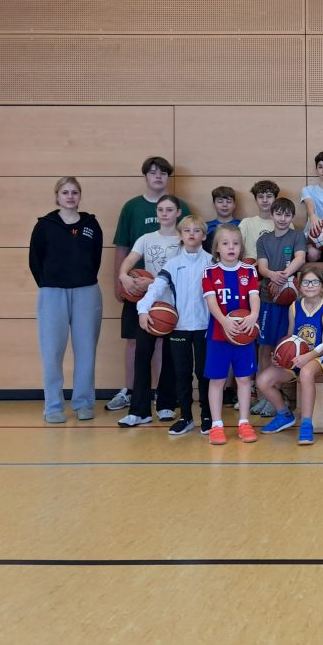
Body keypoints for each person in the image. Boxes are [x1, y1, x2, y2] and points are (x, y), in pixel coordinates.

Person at [108, 156, 190, 412]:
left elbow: (190, 253)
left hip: (168, 294)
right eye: (153, 172)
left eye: (163, 173)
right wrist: (120, 281)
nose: (157, 176)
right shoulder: (132, 208)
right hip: (136, 291)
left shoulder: (182, 208)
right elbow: (123, 247)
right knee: (135, 341)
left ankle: (163, 395)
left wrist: (154, 283)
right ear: (145, 176)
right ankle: (132, 391)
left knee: (165, 342)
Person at [29, 176, 103, 424]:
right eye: (65, 192)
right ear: (57, 197)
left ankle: (83, 403)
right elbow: (35, 260)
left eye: (74, 192)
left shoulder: (91, 224)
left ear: (79, 196)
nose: (70, 196)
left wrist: (81, 278)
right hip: (52, 293)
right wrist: (51, 282)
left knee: (86, 351)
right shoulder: (44, 226)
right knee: (52, 351)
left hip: (86, 291)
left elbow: (95, 258)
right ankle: (53, 406)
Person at [137, 215, 213, 436]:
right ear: (180, 235)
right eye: (187, 230)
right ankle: (186, 417)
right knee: (181, 373)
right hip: (179, 327)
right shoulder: (172, 264)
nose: (191, 234)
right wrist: (143, 309)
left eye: (197, 230)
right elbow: (156, 288)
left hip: (205, 327)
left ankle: (207, 416)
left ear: (204, 236)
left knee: (204, 373)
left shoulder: (212, 263)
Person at [117, 195, 184, 427]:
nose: (164, 213)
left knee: (170, 358)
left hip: (173, 306)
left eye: (169, 209)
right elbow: (130, 260)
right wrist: (124, 276)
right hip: (149, 306)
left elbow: (184, 275)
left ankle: (166, 405)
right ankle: (139, 410)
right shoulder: (146, 238)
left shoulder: (183, 241)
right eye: (161, 209)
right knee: (142, 355)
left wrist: (153, 281)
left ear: (178, 213)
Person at [259, 267, 323, 445]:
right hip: (297, 358)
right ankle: (284, 414)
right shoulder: (294, 307)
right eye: (306, 282)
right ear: (300, 287)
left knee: (306, 373)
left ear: (322, 287)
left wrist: (307, 357)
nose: (310, 285)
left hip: (318, 357)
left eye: (314, 282)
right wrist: (280, 354)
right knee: (263, 380)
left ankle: (306, 424)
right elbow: (290, 336)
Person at [202, 224, 260, 445]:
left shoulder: (249, 270)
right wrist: (224, 321)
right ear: (217, 248)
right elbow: (211, 301)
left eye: (235, 243)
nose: (231, 247)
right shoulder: (209, 272)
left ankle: (244, 423)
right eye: (225, 243)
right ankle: (217, 425)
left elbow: (254, 296)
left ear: (241, 247)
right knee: (217, 380)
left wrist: (254, 315)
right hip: (219, 334)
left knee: (244, 379)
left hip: (244, 333)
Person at [253, 197, 307, 414]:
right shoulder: (264, 240)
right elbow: (262, 267)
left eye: (287, 215)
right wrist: (271, 274)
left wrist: (284, 275)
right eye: (279, 214)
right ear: (272, 215)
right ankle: (264, 395)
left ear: (292, 217)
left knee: (283, 347)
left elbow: (300, 258)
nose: (283, 218)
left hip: (289, 301)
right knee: (265, 348)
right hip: (268, 299)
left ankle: (277, 394)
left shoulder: (297, 235)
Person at [239, 180, 280, 259]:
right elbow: (236, 247)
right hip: (250, 265)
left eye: (269, 196)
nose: (265, 200)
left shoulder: (284, 223)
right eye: (260, 197)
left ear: (275, 199)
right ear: (256, 200)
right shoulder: (246, 223)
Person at [204, 186, 239, 253]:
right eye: (220, 201)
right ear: (214, 204)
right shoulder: (206, 226)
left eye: (229, 201)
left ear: (234, 204)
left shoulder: (242, 225)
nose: (225, 205)